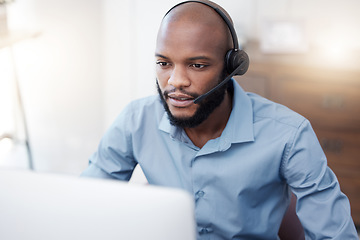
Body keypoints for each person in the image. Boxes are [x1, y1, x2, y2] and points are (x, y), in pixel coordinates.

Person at [81, 1, 358, 239]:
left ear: (232, 67)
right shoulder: (136, 119)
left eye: (197, 65)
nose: (176, 81)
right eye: (164, 63)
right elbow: (84, 205)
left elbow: (335, 234)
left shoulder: (289, 134)